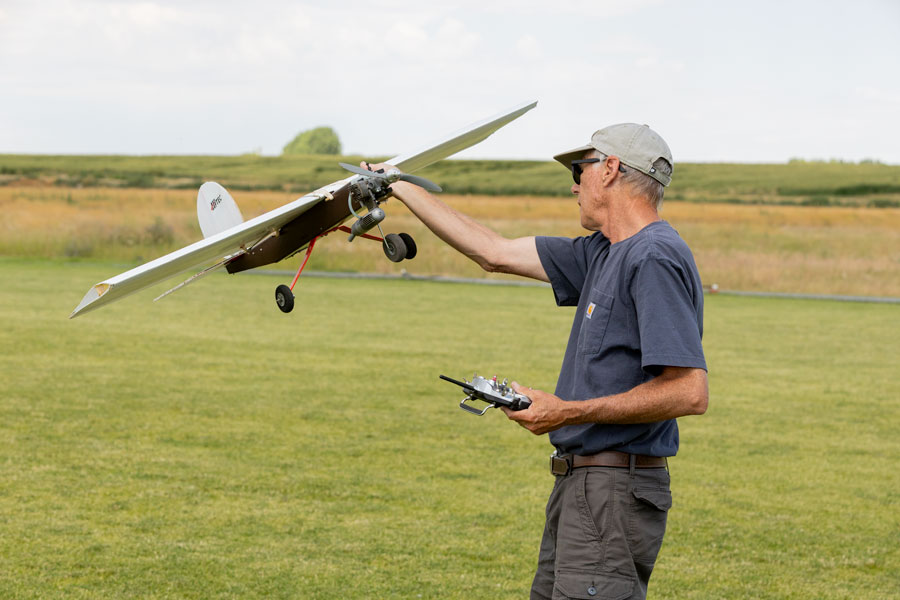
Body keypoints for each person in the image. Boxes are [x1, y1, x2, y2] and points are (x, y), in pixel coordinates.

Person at [368, 123, 708, 600]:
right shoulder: (604, 252)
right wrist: (399, 186)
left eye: (580, 169)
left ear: (610, 170)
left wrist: (568, 411)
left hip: (613, 489)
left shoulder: (652, 257)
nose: (574, 184)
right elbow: (493, 252)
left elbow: (689, 391)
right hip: (583, 483)